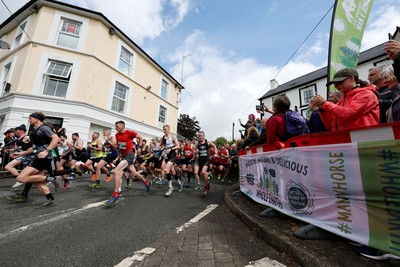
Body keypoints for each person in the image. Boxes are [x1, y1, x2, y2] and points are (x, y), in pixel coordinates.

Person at [6, 112, 60, 207]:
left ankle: (52, 178)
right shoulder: (35, 130)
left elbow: (56, 139)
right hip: (38, 156)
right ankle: (50, 200)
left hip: (43, 158)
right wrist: (20, 153)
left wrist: (46, 151)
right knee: (38, 182)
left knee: (20, 178)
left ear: (37, 119)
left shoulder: (44, 128)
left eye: (30, 118)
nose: (28, 120)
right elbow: (35, 148)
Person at [314, 68, 379, 131]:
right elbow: (330, 125)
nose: (336, 86)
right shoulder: (343, 98)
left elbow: (347, 114)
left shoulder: (366, 94)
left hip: (363, 137)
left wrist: (324, 103)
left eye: (340, 82)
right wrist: (323, 110)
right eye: (335, 83)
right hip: (348, 138)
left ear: (351, 78)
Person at [105, 121, 150, 205]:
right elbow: (118, 146)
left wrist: (139, 147)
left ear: (122, 126)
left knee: (116, 171)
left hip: (129, 155)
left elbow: (140, 137)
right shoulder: (117, 135)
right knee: (134, 174)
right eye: (115, 126)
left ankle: (115, 195)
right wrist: (108, 140)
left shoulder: (129, 132)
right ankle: (146, 182)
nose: (116, 128)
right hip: (123, 156)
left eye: (117, 126)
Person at [160, 125, 181, 197]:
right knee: (173, 172)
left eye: (165, 129)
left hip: (172, 155)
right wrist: (162, 149)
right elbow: (161, 145)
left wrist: (171, 149)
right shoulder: (162, 137)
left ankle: (170, 187)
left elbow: (178, 146)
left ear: (169, 129)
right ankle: (179, 182)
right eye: (163, 129)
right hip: (166, 156)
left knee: (166, 170)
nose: (164, 130)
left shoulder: (173, 137)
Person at [196, 131, 217, 196]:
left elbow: (214, 145)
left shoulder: (207, 142)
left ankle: (205, 187)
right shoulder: (197, 143)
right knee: (203, 174)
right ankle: (207, 184)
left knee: (203, 172)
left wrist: (215, 152)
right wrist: (196, 153)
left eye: (201, 135)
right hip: (200, 160)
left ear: (204, 136)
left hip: (206, 159)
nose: (200, 137)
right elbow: (197, 150)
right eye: (199, 136)